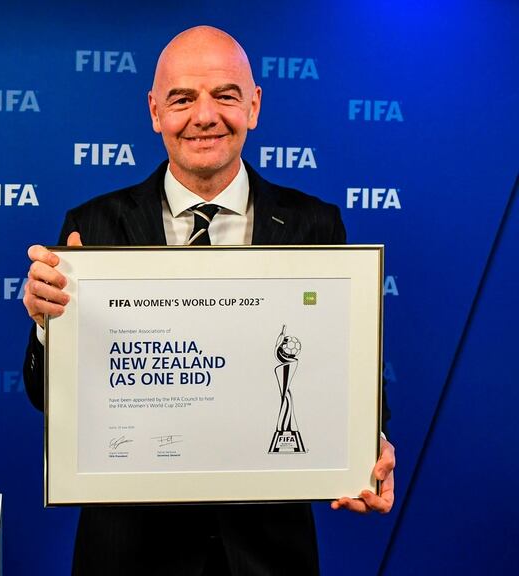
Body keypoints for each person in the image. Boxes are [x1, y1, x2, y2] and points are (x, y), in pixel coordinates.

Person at [22, 25, 396, 575]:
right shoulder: (92, 228)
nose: (204, 116)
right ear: (155, 111)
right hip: (129, 553)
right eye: (182, 99)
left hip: (268, 553)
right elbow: (44, 396)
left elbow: (342, 369)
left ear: (254, 105)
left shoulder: (314, 224)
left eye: (225, 95)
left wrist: (370, 444)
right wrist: (45, 326)